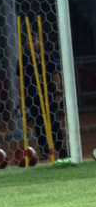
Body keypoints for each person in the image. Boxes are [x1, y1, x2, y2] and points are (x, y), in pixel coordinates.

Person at [18, 31, 65, 160]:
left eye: (34, 41)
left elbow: (56, 76)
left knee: (54, 122)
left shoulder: (48, 56)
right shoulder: (23, 59)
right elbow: (20, 82)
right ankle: (44, 150)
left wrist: (58, 92)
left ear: (39, 42)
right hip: (32, 97)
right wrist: (21, 102)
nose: (32, 44)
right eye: (29, 41)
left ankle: (61, 148)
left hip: (48, 95)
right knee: (38, 124)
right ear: (26, 44)